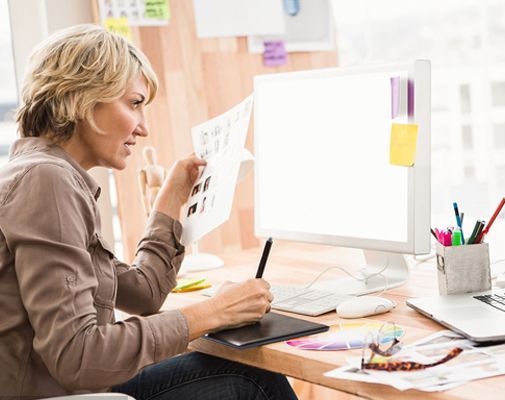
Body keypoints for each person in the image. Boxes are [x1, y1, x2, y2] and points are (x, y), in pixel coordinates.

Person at [0, 24, 297, 400]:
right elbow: (78, 355)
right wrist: (215, 312)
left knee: (246, 372)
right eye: (134, 104)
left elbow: (144, 295)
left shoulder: (45, 175)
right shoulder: (47, 182)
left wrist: (170, 198)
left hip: (79, 388)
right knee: (255, 380)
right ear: (82, 98)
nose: (143, 127)